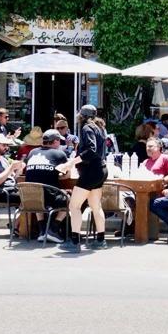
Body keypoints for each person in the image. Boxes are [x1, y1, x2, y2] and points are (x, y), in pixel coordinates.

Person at [62, 104, 107, 252]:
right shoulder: (100, 128)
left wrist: (71, 163)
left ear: (81, 116)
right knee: (95, 206)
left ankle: (75, 241)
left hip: (90, 171)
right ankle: (101, 239)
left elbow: (91, 150)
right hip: (101, 169)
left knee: (74, 206)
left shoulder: (87, 128)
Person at [24, 129, 78, 243]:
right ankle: (53, 229)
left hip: (29, 197)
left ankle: (42, 231)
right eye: (60, 142)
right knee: (73, 197)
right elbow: (67, 175)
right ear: (56, 141)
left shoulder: (32, 152)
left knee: (38, 191)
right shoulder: (59, 154)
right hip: (49, 197)